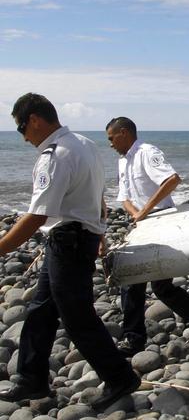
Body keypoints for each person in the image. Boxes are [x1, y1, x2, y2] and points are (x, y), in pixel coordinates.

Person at [0, 94, 140, 410]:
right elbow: (97, 194)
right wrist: (100, 231)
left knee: (77, 317)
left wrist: (2, 247)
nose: (23, 138)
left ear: (35, 120)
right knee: (41, 309)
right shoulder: (84, 145)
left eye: (22, 128)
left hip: (69, 242)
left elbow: (37, 215)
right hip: (74, 239)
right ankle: (30, 379)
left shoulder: (55, 155)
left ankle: (120, 376)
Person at [105, 117, 189, 356]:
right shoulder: (123, 161)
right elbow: (124, 196)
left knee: (150, 284)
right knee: (146, 284)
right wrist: (136, 214)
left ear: (124, 133)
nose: (110, 144)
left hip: (162, 220)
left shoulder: (146, 152)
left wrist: (145, 211)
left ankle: (134, 339)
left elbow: (171, 180)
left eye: (111, 138)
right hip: (142, 224)